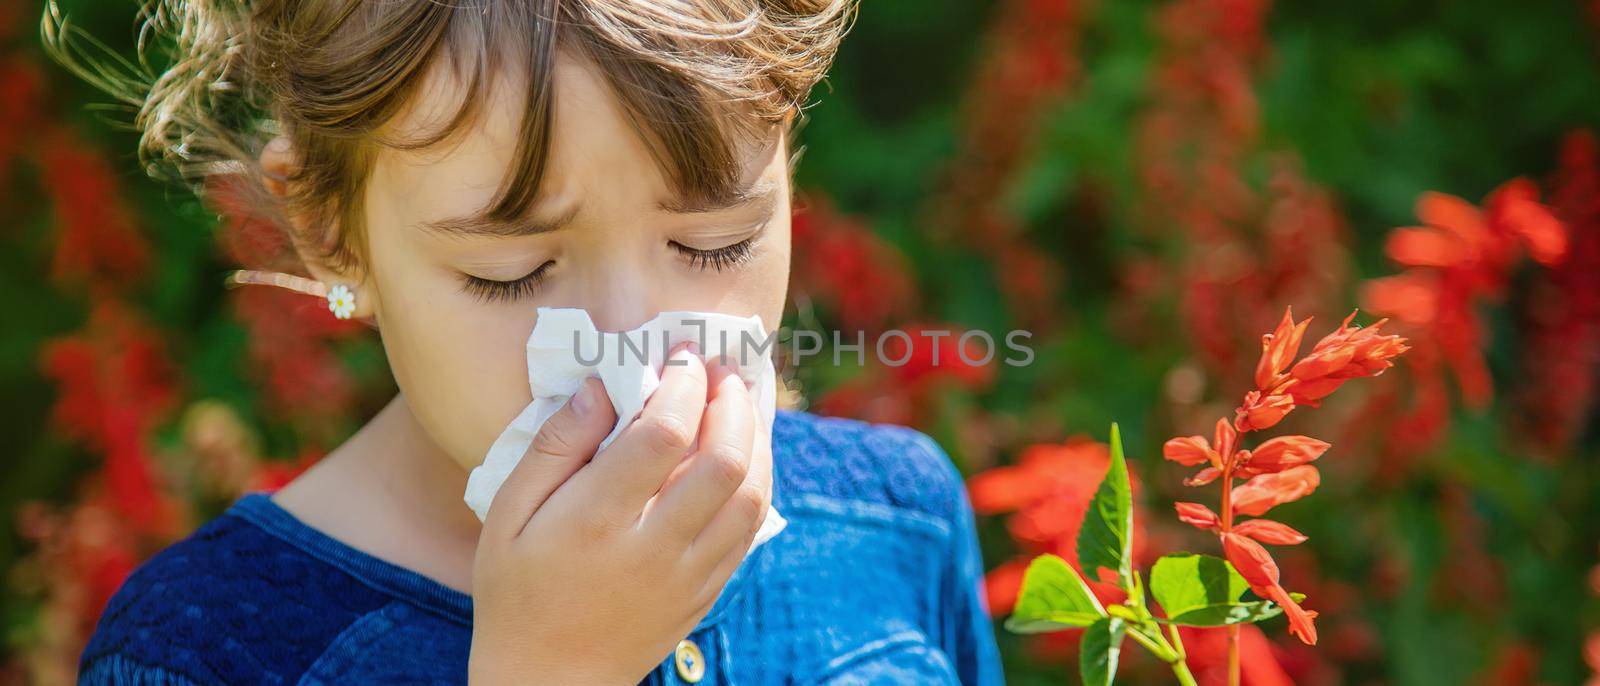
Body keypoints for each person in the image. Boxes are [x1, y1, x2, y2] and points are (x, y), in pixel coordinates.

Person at [47, 0, 1004, 683]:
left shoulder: (897, 521)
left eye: (715, 243)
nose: (636, 342)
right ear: (331, 229)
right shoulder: (204, 648)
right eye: (512, 272)